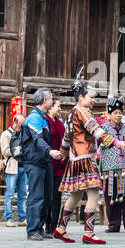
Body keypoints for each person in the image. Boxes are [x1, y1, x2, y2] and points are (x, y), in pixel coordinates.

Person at [53, 67, 125, 244]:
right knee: (93, 193)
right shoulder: (83, 112)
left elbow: (66, 137)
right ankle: (88, 232)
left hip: (74, 158)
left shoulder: (71, 113)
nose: (93, 100)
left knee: (76, 195)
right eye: (90, 97)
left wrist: (63, 153)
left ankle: (61, 228)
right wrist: (118, 143)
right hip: (86, 158)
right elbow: (97, 131)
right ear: (81, 98)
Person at [22, 88, 63, 241]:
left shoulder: (43, 117)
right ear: (45, 100)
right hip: (34, 162)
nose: (52, 101)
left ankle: (40, 228)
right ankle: (32, 230)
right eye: (51, 98)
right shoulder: (33, 117)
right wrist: (50, 151)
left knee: (47, 197)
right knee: (36, 196)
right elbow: (38, 139)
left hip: (44, 162)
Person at [100, 97, 125, 233]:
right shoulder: (102, 129)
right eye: (115, 113)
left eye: (120, 112)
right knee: (111, 196)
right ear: (109, 114)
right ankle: (113, 224)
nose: (118, 115)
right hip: (109, 167)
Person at [45, 98, 68, 234]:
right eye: (58, 106)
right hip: (48, 162)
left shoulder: (60, 123)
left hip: (60, 164)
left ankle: (54, 226)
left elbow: (66, 140)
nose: (60, 109)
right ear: (51, 107)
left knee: (57, 196)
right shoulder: (45, 121)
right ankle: (47, 224)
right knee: (47, 196)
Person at [0, 114, 26, 227]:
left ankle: (22, 218)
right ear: (15, 123)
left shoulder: (23, 134)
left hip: (23, 166)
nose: (22, 127)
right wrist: (17, 150)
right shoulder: (6, 134)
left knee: (22, 195)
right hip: (12, 167)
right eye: (20, 124)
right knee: (10, 194)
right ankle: (9, 218)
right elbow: (5, 151)